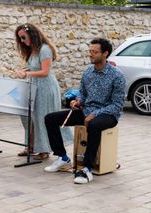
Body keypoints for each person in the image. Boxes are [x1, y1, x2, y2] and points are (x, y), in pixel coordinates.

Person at [44, 38, 125, 184]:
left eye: (95, 52)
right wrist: (78, 100)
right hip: (86, 111)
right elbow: (82, 93)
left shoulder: (117, 75)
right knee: (50, 118)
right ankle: (62, 157)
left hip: (108, 114)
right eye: (90, 51)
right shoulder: (88, 72)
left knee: (93, 124)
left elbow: (117, 105)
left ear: (105, 53)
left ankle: (86, 168)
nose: (91, 54)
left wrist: (95, 114)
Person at [13, 23, 72, 160]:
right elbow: (33, 67)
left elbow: (45, 72)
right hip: (34, 86)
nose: (22, 41)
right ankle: (32, 145)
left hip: (45, 87)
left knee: (41, 117)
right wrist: (23, 71)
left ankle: (44, 149)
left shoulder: (44, 49)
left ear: (32, 34)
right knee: (28, 116)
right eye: (20, 39)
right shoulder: (32, 50)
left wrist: (27, 74)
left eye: (23, 37)